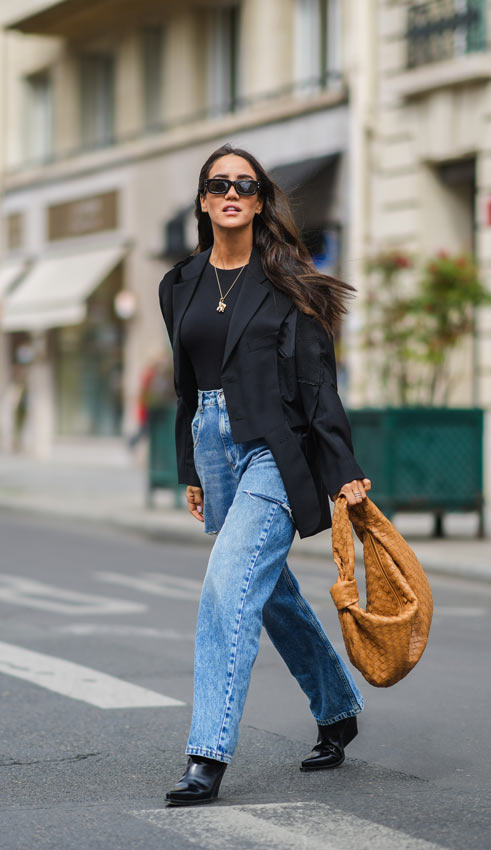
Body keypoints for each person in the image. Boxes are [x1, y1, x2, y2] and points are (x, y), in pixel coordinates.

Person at [158, 143, 371, 807]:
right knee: (267, 588)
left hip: (273, 450)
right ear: (202, 199)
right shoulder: (180, 284)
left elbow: (317, 383)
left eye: (244, 184)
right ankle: (336, 707)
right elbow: (188, 387)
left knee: (228, 587)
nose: (231, 192)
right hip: (215, 446)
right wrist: (190, 464)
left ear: (257, 200)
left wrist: (343, 469)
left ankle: (206, 755)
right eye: (219, 183)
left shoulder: (286, 281)